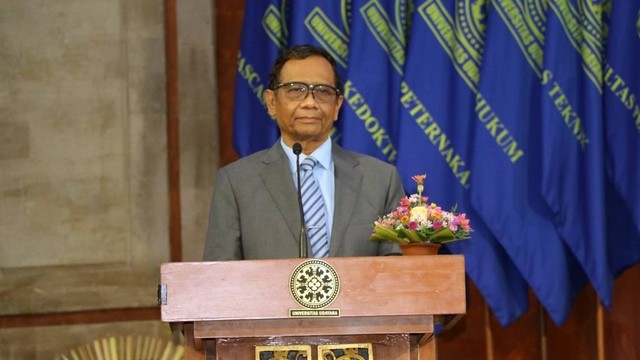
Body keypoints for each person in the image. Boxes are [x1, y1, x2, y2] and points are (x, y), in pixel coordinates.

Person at [203, 45, 405, 260]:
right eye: (295, 90)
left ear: (337, 106)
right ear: (272, 102)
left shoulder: (380, 180)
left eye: (323, 92)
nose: (310, 102)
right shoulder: (236, 183)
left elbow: (398, 272)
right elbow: (220, 277)